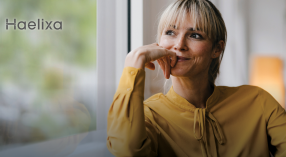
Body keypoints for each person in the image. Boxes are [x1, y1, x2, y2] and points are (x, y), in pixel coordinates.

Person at [106, 0, 286, 156]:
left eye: (195, 35)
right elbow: (127, 151)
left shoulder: (257, 101)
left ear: (217, 49)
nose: (179, 45)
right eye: (170, 32)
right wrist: (133, 63)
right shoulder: (149, 116)